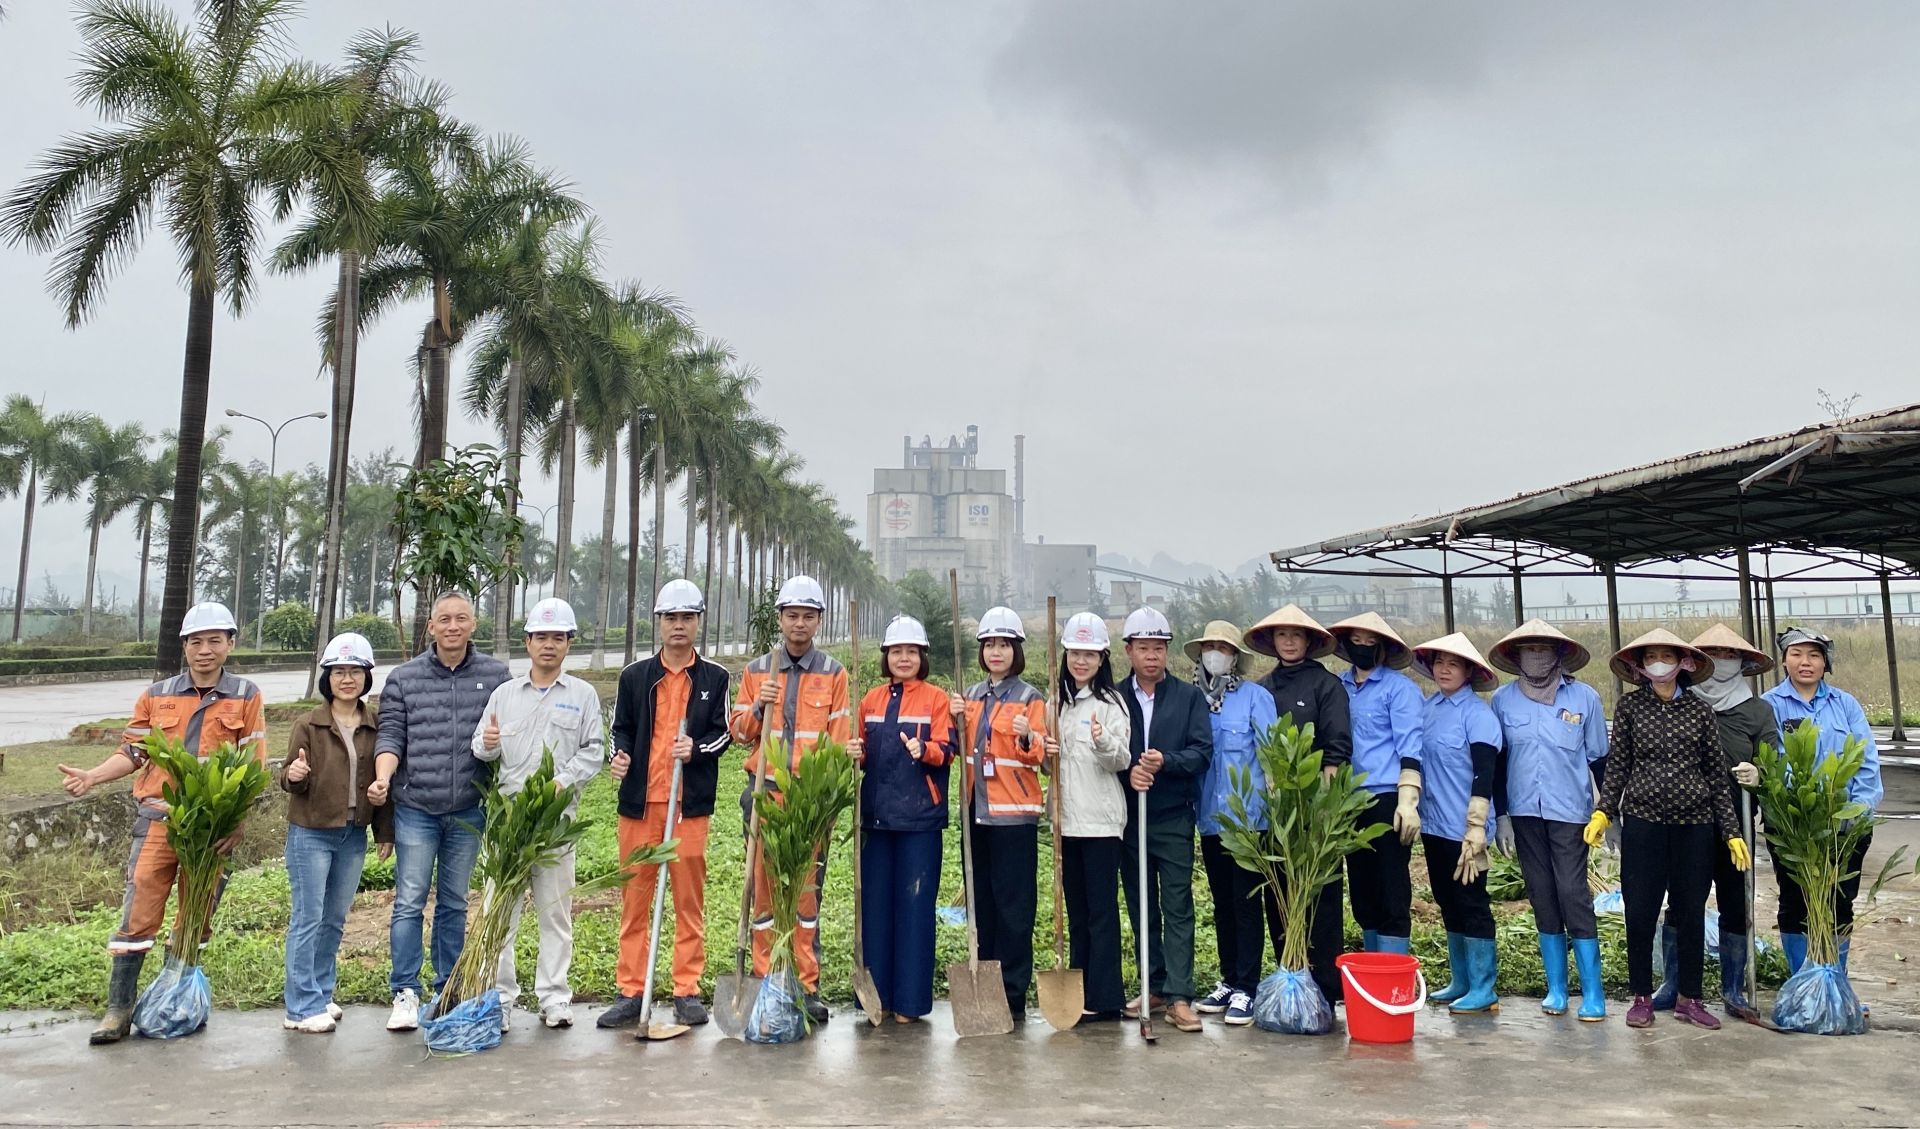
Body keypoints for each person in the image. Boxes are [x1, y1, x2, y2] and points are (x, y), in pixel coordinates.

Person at [60, 602, 266, 1045]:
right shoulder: (157, 695)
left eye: (214, 641)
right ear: (184, 647)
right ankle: (119, 1009)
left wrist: (239, 822)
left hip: (212, 827)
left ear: (230, 644)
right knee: (138, 911)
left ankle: (178, 1001)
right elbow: (134, 752)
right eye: (196, 642)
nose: (205, 650)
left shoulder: (246, 695)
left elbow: (253, 764)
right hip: (158, 820)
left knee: (197, 913)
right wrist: (92, 776)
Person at [1585, 628, 1748, 1031]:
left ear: (1683, 663)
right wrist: (1604, 812)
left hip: (1695, 825)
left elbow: (1716, 775)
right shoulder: (1630, 707)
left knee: (1690, 912)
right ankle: (1641, 996)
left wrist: (1731, 831)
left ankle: (1690, 998)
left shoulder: (1699, 711)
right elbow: (1618, 766)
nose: (1659, 663)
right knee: (1640, 911)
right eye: (1651, 657)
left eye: (1667, 656)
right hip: (1644, 824)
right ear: (1640, 666)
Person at [374, 592, 510, 1032]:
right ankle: (405, 991)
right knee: (409, 901)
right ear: (431, 627)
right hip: (416, 808)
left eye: (461, 619)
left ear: (473, 625)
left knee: (454, 901)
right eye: (444, 619)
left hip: (468, 809)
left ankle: (447, 988)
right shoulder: (404, 678)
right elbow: (390, 736)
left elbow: (509, 731)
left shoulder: (496, 676)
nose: (453, 626)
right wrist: (383, 778)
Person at [601, 579, 733, 1030]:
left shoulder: (714, 678)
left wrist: (695, 748)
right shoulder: (634, 676)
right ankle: (630, 990)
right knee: (635, 900)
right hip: (641, 805)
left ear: (698, 622)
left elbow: (723, 733)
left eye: (687, 618)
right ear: (659, 622)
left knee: (688, 901)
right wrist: (619, 756)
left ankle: (686, 990)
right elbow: (619, 728)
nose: (679, 625)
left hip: (687, 806)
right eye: (671, 617)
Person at [471, 598, 604, 1030]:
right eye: (541, 637)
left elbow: (595, 751)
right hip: (508, 824)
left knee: (555, 914)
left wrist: (562, 781)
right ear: (527, 643)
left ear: (568, 644)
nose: (549, 645)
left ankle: (554, 998)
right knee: (500, 913)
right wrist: (489, 743)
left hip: (554, 824)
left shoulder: (582, 696)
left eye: (558, 638)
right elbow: (480, 746)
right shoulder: (504, 695)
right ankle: (500, 999)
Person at [728, 574, 851, 1024]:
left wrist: (830, 801)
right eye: (792, 615)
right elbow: (739, 733)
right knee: (763, 892)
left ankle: (805, 983)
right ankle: (766, 979)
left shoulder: (834, 673)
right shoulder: (757, 670)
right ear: (779, 619)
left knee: (804, 896)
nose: (799, 623)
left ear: (819, 621)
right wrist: (758, 706)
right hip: (766, 793)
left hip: (810, 800)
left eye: (808, 616)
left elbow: (839, 739)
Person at [1651, 623, 1776, 1019]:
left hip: (1736, 822)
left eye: (1730, 655)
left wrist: (1760, 773)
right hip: (1685, 822)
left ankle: (1733, 987)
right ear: (1697, 662)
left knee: (1735, 902)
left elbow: (1774, 760)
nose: (1722, 661)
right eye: (1714, 655)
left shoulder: (1756, 710)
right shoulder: (1680, 701)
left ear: (1742, 662)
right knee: (1682, 901)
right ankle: (1674, 983)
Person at [1487, 619, 1609, 1021]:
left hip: (1570, 812)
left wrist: (1609, 812)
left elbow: (1599, 759)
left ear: (1558, 654)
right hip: (1524, 812)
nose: (1536, 657)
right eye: (1529, 650)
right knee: (1541, 893)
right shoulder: (1503, 701)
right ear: (1516, 656)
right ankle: (1556, 988)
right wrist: (1501, 815)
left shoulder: (1584, 698)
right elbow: (1498, 762)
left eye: (1543, 649)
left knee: (1573, 893)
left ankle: (1593, 991)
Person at [281, 632, 391, 1034]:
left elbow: (384, 782)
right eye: (339, 671)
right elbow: (288, 777)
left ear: (366, 677)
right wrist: (294, 775)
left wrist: (384, 830)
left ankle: (321, 992)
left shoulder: (376, 724)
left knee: (334, 919)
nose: (347, 679)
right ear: (327, 677)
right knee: (308, 917)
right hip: (311, 833)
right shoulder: (308, 723)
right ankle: (299, 1007)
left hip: (353, 834)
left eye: (355, 671)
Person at [1761, 626, 1882, 982]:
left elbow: (1866, 760)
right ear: (1784, 660)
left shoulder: (1845, 704)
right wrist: (1803, 808)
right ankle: (1803, 984)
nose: (1806, 662)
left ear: (1825, 663)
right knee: (1795, 902)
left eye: (1814, 655)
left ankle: (1834, 982)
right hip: (1794, 826)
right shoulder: (1769, 705)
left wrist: (1857, 811)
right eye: (1796, 654)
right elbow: (1772, 761)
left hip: (1844, 826)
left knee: (1839, 903)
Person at [847, 615, 952, 1022]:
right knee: (874, 910)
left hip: (919, 821)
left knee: (915, 910)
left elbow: (948, 750)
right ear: (886, 656)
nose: (903, 658)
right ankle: (877, 999)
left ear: (922, 656)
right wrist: (855, 753)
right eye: (896, 651)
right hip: (875, 819)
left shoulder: (936, 699)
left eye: (911, 651)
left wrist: (924, 749)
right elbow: (859, 753)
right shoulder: (870, 700)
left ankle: (909, 1003)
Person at [1245, 604, 1350, 1003]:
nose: (1288, 642)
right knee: (1280, 895)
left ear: (1308, 641)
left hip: (1313, 808)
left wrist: (1324, 806)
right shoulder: (1262, 688)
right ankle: (1289, 979)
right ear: (1272, 641)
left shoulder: (1326, 686)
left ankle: (1325, 988)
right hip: (1276, 809)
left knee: (1320, 896)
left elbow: (1337, 748)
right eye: (1282, 635)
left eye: (1296, 635)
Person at [1115, 606, 1212, 1034]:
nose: (1151, 656)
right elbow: (1106, 752)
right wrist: (1129, 773)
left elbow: (1201, 752)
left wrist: (1165, 762)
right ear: (1129, 651)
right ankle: (1152, 986)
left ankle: (1179, 995)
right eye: (1143, 648)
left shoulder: (1188, 698)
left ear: (1167, 651)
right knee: (1141, 905)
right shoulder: (1114, 697)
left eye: (1158, 648)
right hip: (1129, 819)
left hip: (1173, 818)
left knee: (1177, 906)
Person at [948, 606, 1048, 1021]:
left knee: (1014, 909)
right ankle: (984, 984)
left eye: (1004, 645)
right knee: (982, 905)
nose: (996, 652)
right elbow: (958, 747)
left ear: (1016, 651)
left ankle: (1012, 992)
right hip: (977, 814)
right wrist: (954, 719)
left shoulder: (1030, 699)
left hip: (1014, 818)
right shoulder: (970, 696)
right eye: (989, 644)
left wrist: (1027, 737)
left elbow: (1042, 756)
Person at [1188, 619, 1277, 1027]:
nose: (1215, 654)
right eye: (1210, 647)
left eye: (1223, 648)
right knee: (1222, 902)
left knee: (1246, 903)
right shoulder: (1193, 701)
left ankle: (1247, 986)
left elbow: (1272, 756)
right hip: (1210, 818)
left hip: (1249, 820)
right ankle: (1227, 979)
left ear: (1235, 657)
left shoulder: (1256, 698)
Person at [1045, 613, 1133, 1024]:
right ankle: (1079, 993)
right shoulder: (1056, 703)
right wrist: (1037, 744)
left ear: (1102, 659)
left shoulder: (1111, 704)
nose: (1081, 662)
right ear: (1065, 656)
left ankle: (1105, 998)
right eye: (1075, 654)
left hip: (1100, 823)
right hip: (1065, 823)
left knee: (1101, 913)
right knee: (1076, 913)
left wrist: (1101, 740)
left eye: (1090, 655)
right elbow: (1047, 765)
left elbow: (1121, 760)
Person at [1410, 633, 1502, 1015]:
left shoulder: (1478, 715)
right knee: (1446, 900)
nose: (1444, 669)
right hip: (1434, 825)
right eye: (1439, 662)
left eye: (1453, 664)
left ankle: (1484, 987)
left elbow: (1485, 772)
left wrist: (1477, 826)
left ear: (1469, 672)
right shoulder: (1428, 709)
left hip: (1466, 831)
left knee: (1471, 902)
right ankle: (1461, 980)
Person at [1327, 611, 1423, 955]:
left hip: (1386, 797)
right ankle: (1372, 964)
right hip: (1347, 799)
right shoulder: (1337, 686)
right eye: (1356, 641)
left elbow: (1410, 746)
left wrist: (1408, 801)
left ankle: (1393, 966)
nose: (1363, 647)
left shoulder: (1399, 689)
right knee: (1362, 887)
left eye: (1370, 642)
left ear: (1382, 647)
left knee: (1390, 886)